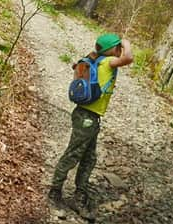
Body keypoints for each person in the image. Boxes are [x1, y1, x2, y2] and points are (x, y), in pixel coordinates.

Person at [48, 33, 133, 220]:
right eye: (117, 46)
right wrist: (126, 43)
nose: (120, 49)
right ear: (111, 49)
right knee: (73, 155)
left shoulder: (95, 60)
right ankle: (54, 193)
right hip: (86, 118)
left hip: (89, 117)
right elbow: (129, 58)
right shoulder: (107, 62)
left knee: (88, 158)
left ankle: (80, 196)